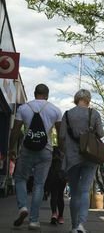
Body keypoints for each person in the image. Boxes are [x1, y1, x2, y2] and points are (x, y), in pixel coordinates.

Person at [9, 84, 62, 230]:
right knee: (39, 184)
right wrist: (62, 151)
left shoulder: (24, 108)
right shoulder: (55, 110)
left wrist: (11, 148)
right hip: (46, 151)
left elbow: (15, 130)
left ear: (34, 93)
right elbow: (60, 133)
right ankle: (33, 220)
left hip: (27, 149)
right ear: (47, 95)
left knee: (20, 178)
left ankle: (22, 207)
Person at [60, 89, 104, 233]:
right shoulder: (94, 114)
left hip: (72, 158)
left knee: (74, 192)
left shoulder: (67, 115)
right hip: (90, 157)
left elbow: (61, 136)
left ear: (75, 99)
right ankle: (81, 225)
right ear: (88, 100)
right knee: (85, 190)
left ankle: (73, 226)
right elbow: (101, 134)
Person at [45, 146, 67, 225]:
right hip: (62, 179)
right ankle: (60, 217)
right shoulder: (62, 158)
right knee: (60, 196)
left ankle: (54, 213)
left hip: (53, 178)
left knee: (53, 196)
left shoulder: (49, 159)